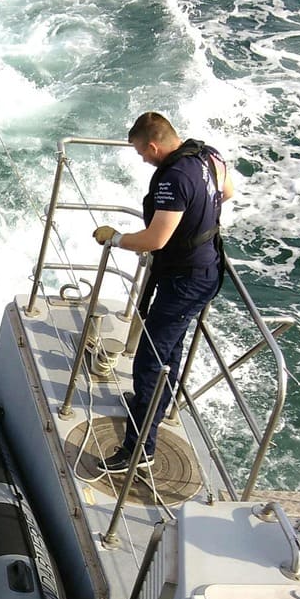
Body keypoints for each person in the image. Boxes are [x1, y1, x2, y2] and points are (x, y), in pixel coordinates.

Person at [92, 112, 232, 471]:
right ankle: (149, 408)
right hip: (207, 270)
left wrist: (117, 238)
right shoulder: (208, 155)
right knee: (170, 353)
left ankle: (139, 449)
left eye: (142, 153)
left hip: (184, 281)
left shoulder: (173, 178)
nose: (142, 159)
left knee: (150, 361)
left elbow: (156, 239)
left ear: (153, 146)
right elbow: (227, 192)